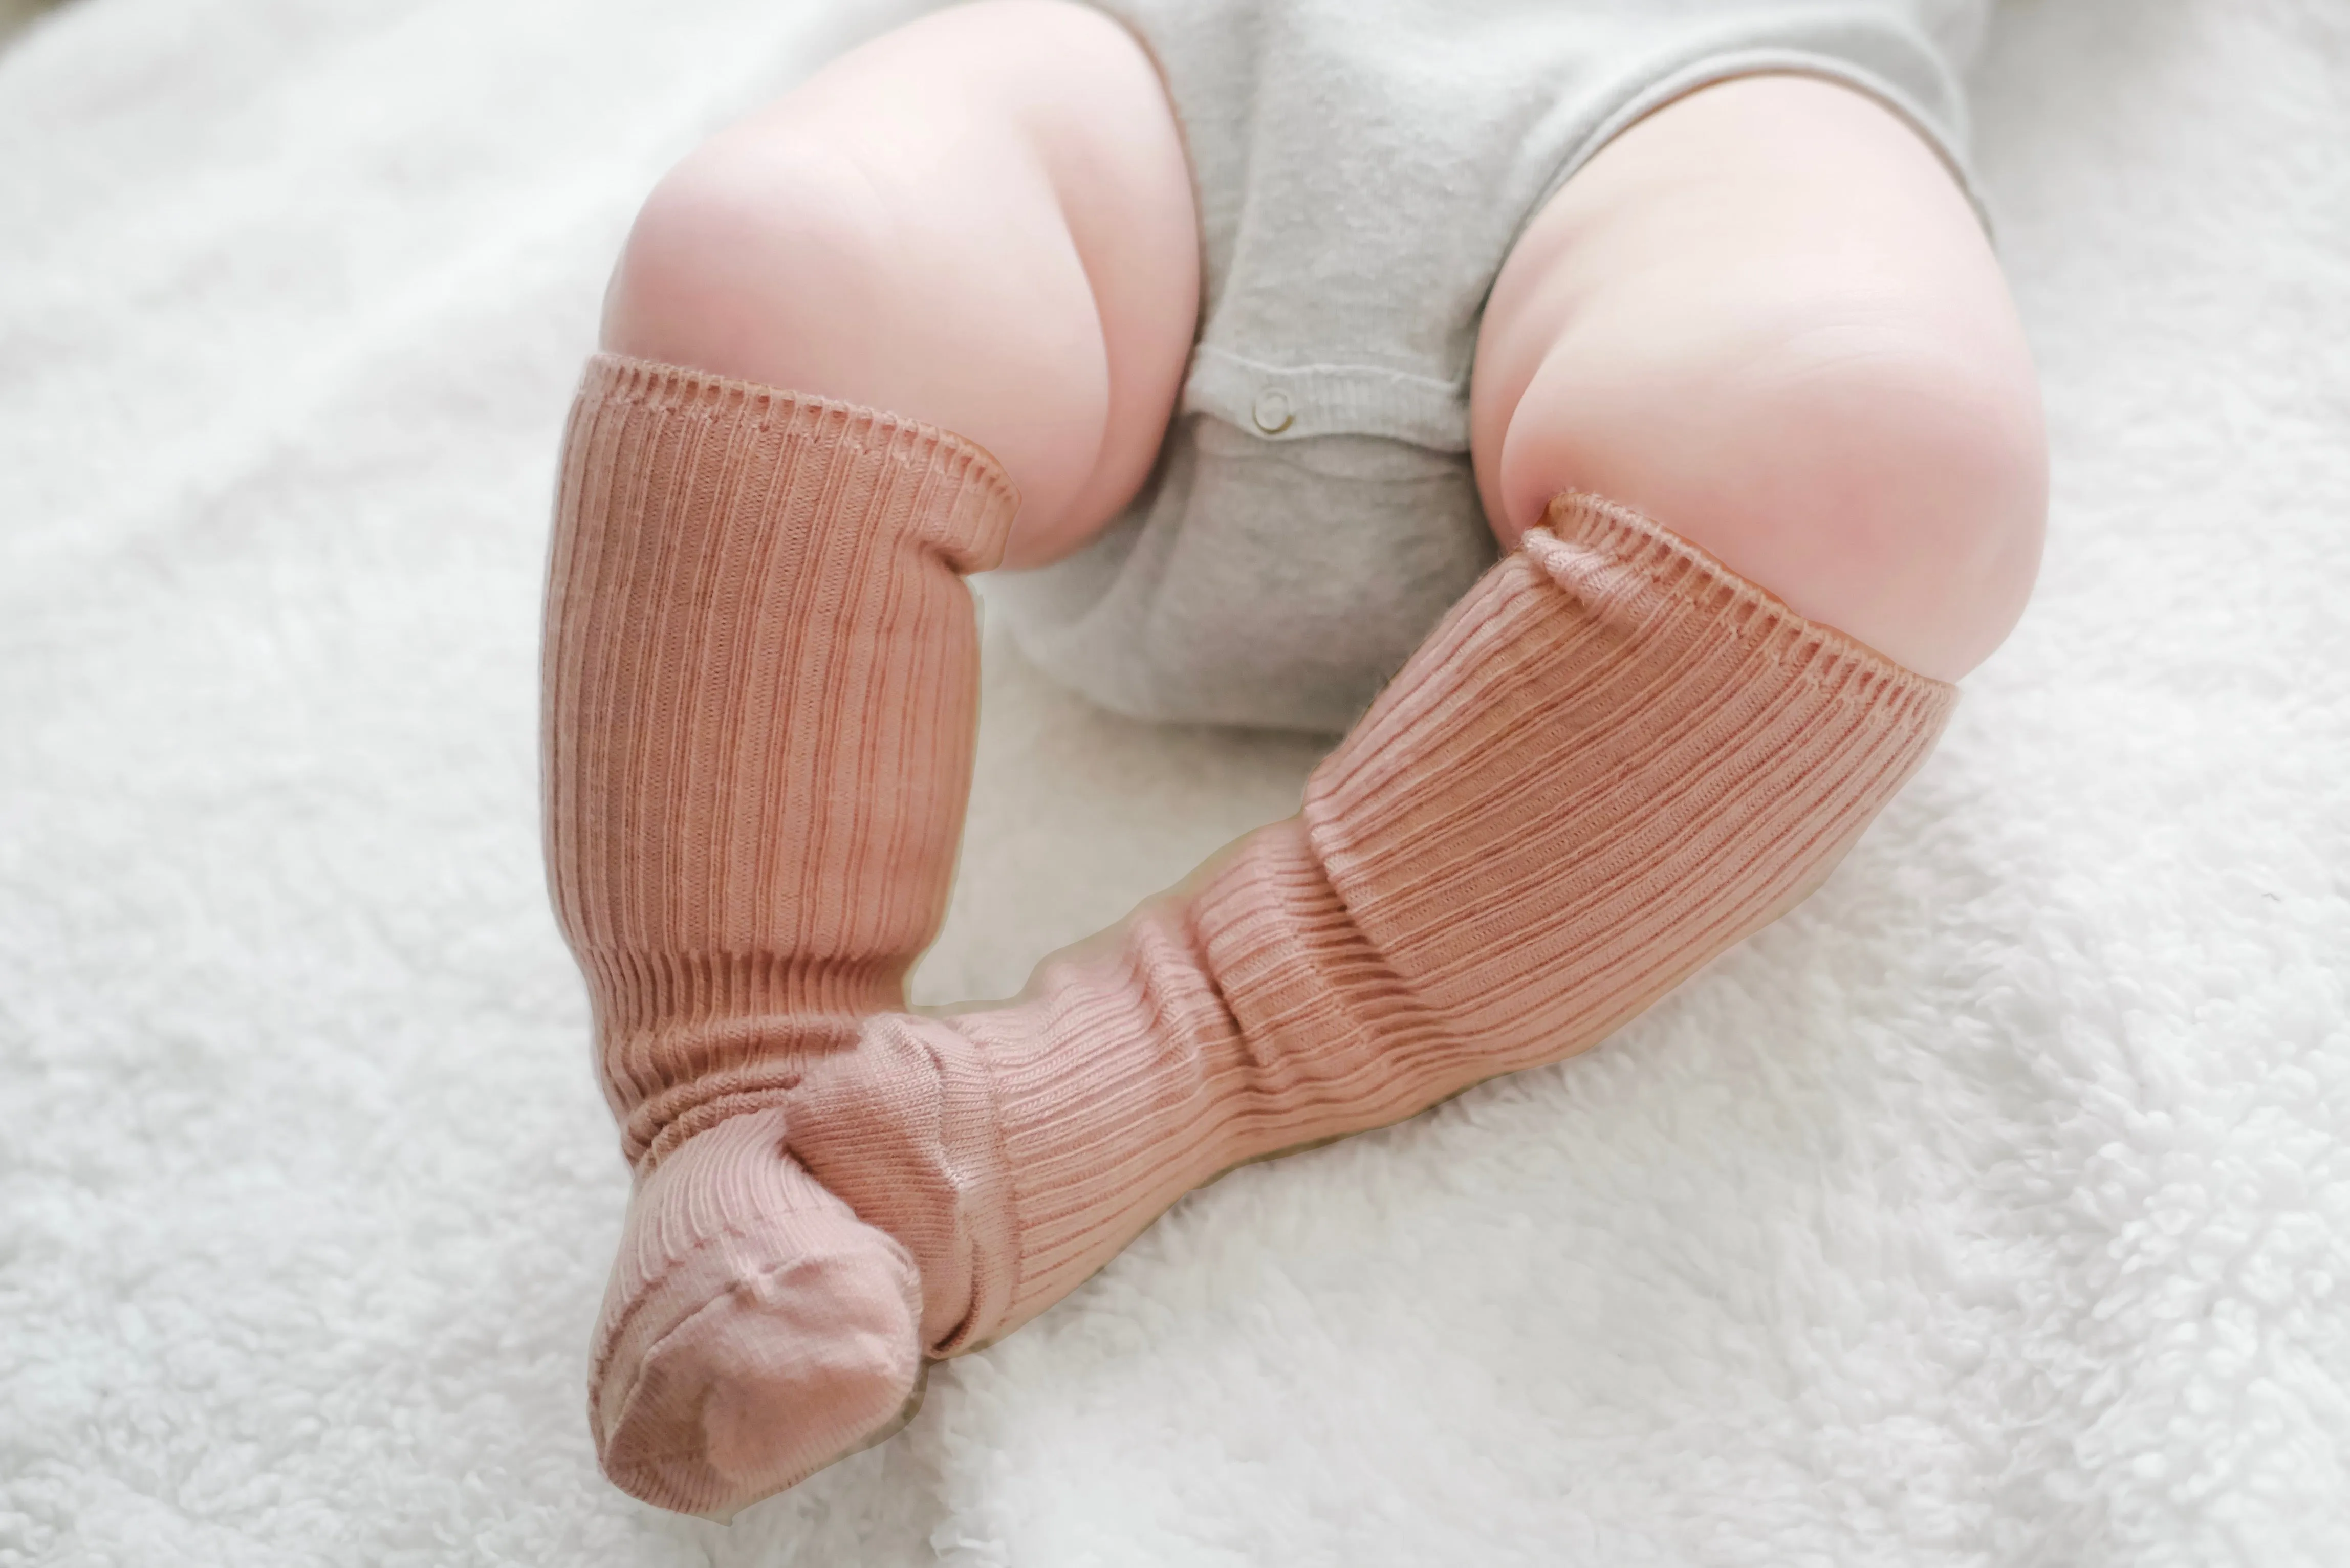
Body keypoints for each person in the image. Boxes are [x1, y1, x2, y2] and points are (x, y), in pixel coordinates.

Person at [540, 0, 2046, 1518]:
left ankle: (1179, 1058)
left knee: (1888, 457)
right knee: (769, 254)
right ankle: (744, 1105)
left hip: (1702, 95)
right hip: (1153, 80)